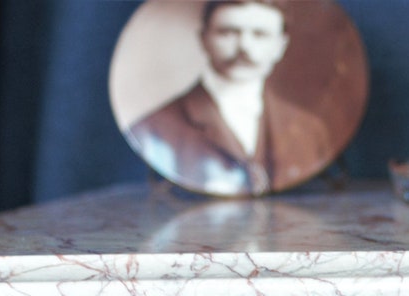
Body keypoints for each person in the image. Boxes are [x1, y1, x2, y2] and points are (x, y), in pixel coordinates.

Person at [129, 0, 335, 196]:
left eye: (260, 34)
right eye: (228, 33)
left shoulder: (310, 130)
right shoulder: (155, 127)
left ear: (280, 46)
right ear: (204, 39)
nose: (244, 47)